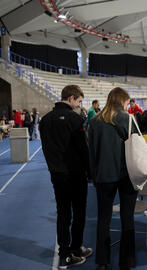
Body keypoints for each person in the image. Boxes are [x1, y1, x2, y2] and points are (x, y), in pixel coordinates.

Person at [40, 85, 92, 269]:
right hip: (75, 174)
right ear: (70, 98)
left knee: (63, 212)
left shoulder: (44, 120)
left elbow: (45, 149)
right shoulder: (74, 119)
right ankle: (74, 249)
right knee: (78, 213)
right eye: (78, 101)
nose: (79, 105)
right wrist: (90, 172)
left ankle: (65, 253)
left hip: (57, 174)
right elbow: (83, 149)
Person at [88, 87, 139, 270]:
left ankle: (102, 262)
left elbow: (91, 152)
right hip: (126, 175)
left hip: (103, 175)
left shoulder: (94, 121)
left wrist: (93, 175)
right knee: (128, 219)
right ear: (122, 101)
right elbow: (139, 147)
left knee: (103, 219)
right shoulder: (128, 118)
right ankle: (127, 262)